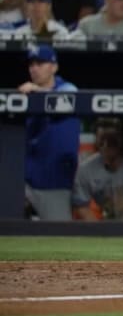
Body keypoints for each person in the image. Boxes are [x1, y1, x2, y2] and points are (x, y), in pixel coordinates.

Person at [20, 45, 81, 221]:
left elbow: (68, 99)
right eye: (31, 64)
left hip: (53, 179)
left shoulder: (67, 88)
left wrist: (37, 93)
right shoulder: (25, 93)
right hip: (24, 177)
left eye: (40, 63)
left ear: (54, 67)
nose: (34, 68)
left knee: (58, 234)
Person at [72, 118, 123, 221]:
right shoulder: (86, 169)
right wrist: (99, 231)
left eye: (112, 141)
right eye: (102, 140)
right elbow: (81, 205)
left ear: (122, 139)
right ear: (96, 141)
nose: (106, 145)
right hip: (109, 226)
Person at [8, 0, 79, 42]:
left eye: (41, 1)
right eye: (32, 2)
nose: (36, 5)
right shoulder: (18, 33)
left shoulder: (60, 32)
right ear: (27, 6)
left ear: (49, 6)